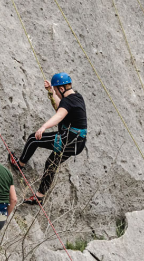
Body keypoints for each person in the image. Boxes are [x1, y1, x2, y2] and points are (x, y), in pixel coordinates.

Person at [10, 72, 87, 204]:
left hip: (68, 139)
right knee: (51, 163)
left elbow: (59, 115)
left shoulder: (68, 101)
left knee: (33, 139)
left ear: (61, 89)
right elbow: (60, 107)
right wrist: (51, 91)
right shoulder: (77, 97)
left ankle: (20, 164)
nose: (56, 93)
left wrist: (43, 127)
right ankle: (39, 197)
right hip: (78, 143)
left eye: (57, 91)